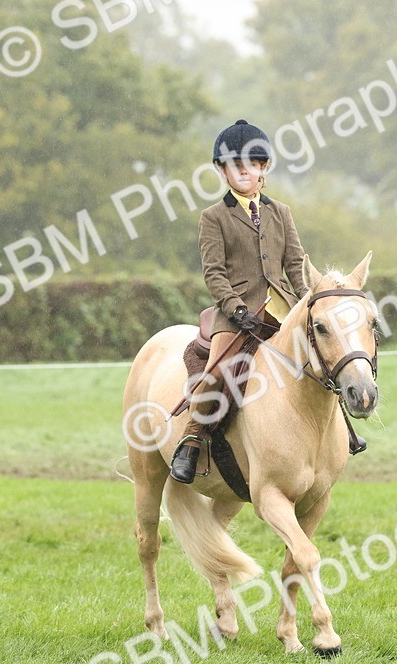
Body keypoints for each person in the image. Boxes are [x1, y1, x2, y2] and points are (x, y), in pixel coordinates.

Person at [169, 120, 309, 484]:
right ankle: (191, 440)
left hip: (281, 312)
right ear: (222, 170)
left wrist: (308, 301)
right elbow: (214, 273)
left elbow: (295, 264)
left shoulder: (282, 213)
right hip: (236, 317)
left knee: (324, 360)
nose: (243, 170)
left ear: (263, 168)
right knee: (216, 374)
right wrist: (237, 309)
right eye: (234, 164)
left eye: (251, 163)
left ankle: (344, 431)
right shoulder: (213, 218)